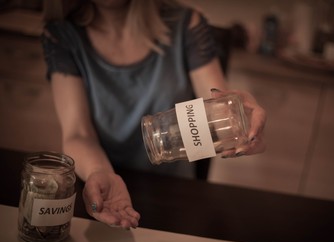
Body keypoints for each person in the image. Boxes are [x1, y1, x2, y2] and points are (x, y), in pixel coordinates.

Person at [41, 0, 266, 230]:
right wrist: (100, 173)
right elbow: (78, 133)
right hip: (101, 190)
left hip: (171, 194)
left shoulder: (184, 24)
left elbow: (218, 115)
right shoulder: (63, 35)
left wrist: (243, 124)